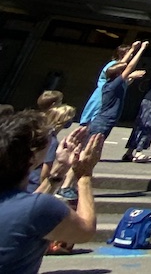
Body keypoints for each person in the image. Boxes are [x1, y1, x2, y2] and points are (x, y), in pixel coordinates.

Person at [0, 113, 100, 274]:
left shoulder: (25, 204)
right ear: (32, 157)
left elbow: (26, 209)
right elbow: (85, 231)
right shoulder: (40, 207)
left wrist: (58, 171)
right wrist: (84, 175)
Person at [86, 39, 148, 157]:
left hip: (106, 119)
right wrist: (140, 49)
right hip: (103, 119)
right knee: (91, 148)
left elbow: (124, 72)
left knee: (93, 147)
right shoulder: (113, 81)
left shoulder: (114, 83)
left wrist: (131, 77)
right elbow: (128, 66)